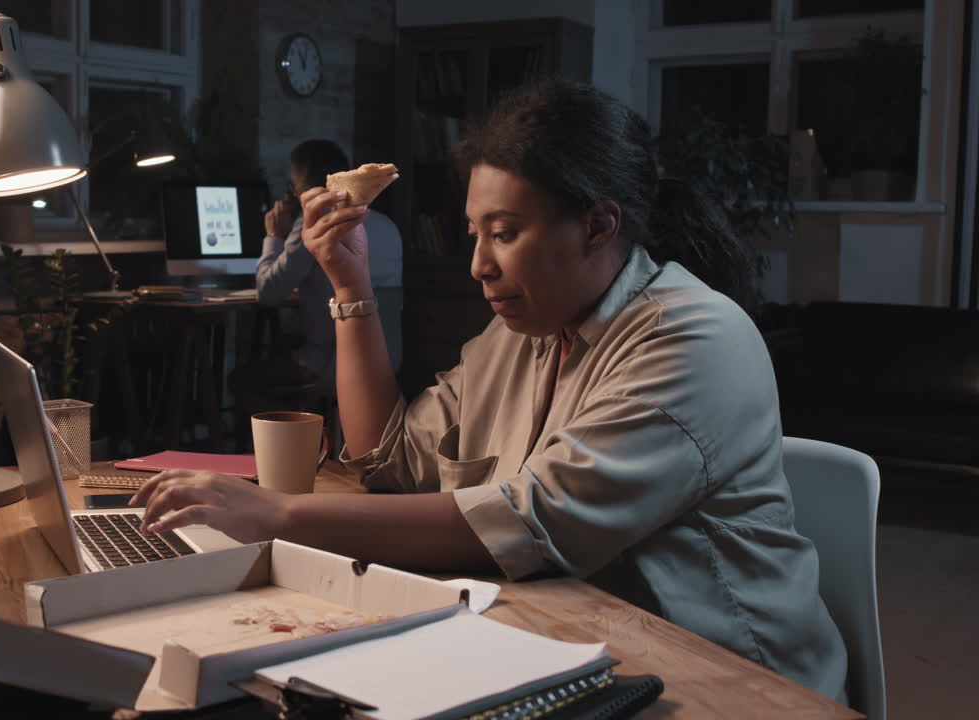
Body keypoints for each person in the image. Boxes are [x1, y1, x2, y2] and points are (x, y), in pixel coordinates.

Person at [134, 80, 848, 700]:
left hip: (727, 679)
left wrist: (278, 513)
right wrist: (351, 285)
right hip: (572, 641)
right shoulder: (526, 332)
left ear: (599, 224)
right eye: (474, 233)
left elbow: (526, 523)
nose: (479, 265)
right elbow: (386, 457)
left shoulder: (696, 339)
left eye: (504, 233)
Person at [256, 139, 403, 392]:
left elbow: (267, 292)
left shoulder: (315, 225)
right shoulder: (389, 226)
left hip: (327, 365)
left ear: (297, 189)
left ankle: (289, 428)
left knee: (243, 379)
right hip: (388, 362)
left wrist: (273, 236)